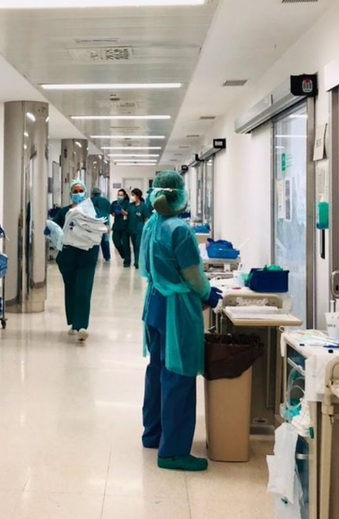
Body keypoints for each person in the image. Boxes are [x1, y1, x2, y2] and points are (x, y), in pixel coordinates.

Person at [139, 171, 223, 472]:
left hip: (155, 303)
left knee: (158, 370)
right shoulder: (180, 230)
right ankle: (173, 451)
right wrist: (207, 292)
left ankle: (154, 434)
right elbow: (191, 274)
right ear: (179, 194)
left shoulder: (152, 224)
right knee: (179, 374)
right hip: (177, 308)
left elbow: (146, 268)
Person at [52, 180, 101, 342]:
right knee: (71, 288)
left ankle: (82, 326)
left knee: (84, 289)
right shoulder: (64, 212)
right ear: (70, 193)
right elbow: (55, 230)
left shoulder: (93, 211)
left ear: (85, 193)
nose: (78, 193)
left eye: (81, 190)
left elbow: (102, 228)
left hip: (87, 256)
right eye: (75, 190)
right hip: (68, 256)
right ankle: (73, 322)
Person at [127, 188, 150, 269]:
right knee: (134, 245)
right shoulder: (130, 206)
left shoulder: (143, 206)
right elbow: (126, 214)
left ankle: (138, 262)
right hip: (131, 227)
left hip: (140, 228)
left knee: (138, 245)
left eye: (133, 195)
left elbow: (146, 218)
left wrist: (146, 228)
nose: (132, 197)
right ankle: (136, 261)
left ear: (138, 195)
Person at [110, 189, 131, 267]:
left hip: (125, 226)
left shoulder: (127, 204)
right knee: (116, 242)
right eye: (118, 195)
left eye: (121, 195)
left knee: (125, 244)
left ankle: (127, 261)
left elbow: (127, 213)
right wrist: (115, 212)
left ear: (124, 196)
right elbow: (112, 213)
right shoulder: (114, 203)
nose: (119, 196)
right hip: (116, 226)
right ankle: (124, 255)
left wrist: (121, 210)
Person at [90, 187, 112, 262]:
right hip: (105, 221)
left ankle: (94, 256)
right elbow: (110, 211)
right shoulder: (106, 200)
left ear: (92, 193)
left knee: (95, 239)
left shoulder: (91, 201)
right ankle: (107, 256)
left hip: (95, 221)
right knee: (105, 240)